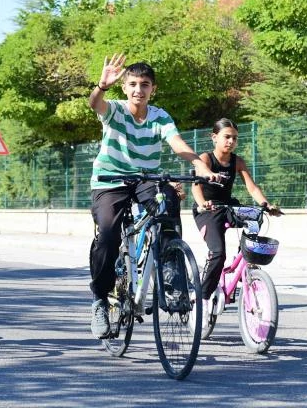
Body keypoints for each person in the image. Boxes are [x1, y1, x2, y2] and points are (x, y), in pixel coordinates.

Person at [87, 53, 220, 339]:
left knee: (169, 200)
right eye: (133, 83)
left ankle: (172, 279)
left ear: (153, 89)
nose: (138, 89)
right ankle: (100, 299)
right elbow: (95, 104)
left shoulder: (160, 116)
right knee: (108, 232)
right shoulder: (116, 110)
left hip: (145, 179)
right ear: (125, 87)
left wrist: (200, 165)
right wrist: (101, 85)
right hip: (110, 180)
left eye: (144, 84)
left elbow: (177, 144)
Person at [190, 118, 281, 328]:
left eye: (234, 138)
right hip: (208, 210)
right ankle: (202, 301)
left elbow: (252, 187)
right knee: (218, 253)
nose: (231, 141)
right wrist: (203, 203)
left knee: (255, 217)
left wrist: (266, 204)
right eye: (226, 137)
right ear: (214, 138)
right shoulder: (206, 158)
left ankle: (248, 267)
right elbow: (196, 186)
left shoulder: (237, 161)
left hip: (228, 206)